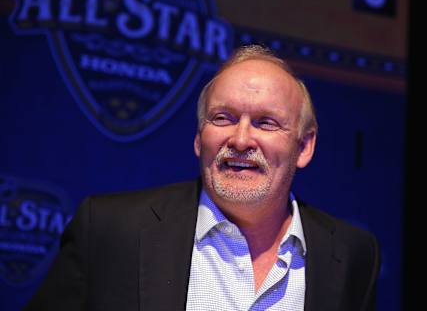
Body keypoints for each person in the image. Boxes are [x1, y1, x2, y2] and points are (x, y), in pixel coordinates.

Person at [24, 45, 380, 311]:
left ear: (304, 146)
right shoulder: (110, 230)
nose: (240, 140)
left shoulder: (351, 254)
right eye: (222, 118)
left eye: (265, 123)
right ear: (198, 137)